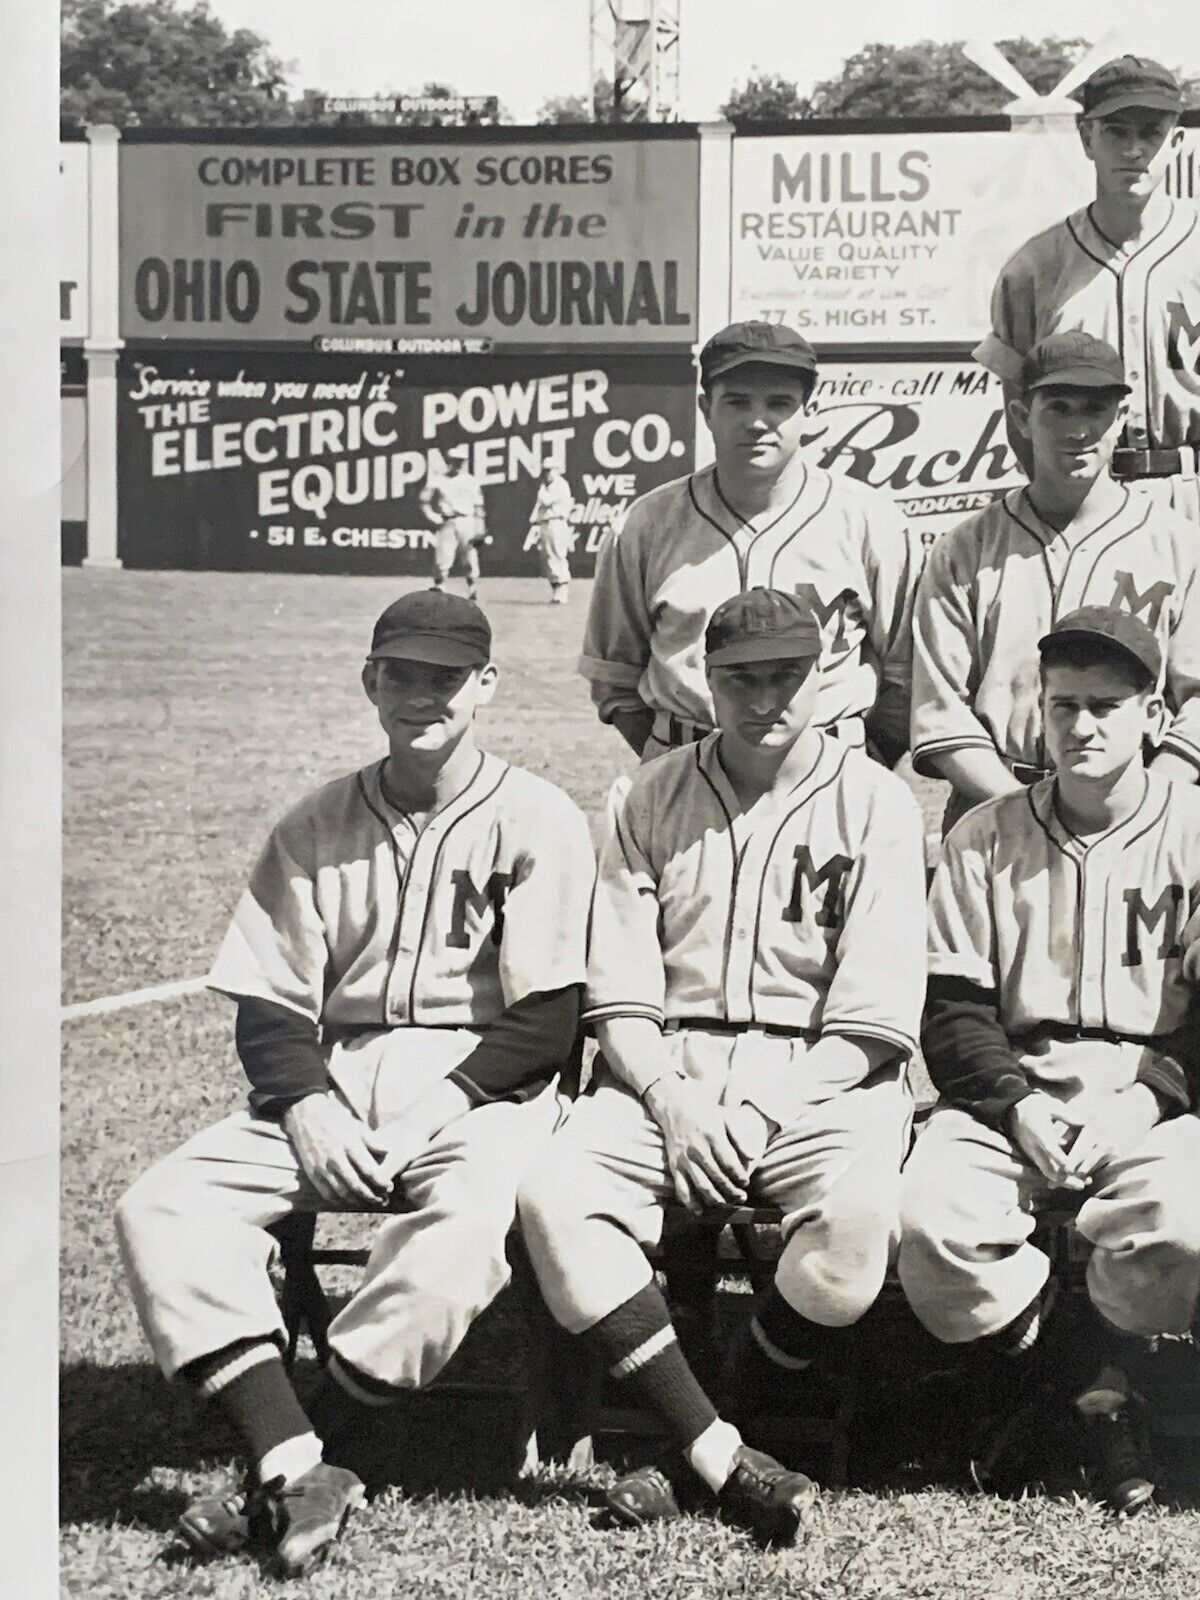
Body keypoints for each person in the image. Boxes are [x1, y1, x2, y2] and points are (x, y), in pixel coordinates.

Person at [115, 590, 594, 1576]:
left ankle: (311, 1446)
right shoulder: (316, 822)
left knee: (464, 1227)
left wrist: (432, 1107)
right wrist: (308, 1106)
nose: (423, 696)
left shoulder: (539, 816)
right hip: (341, 1074)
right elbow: (269, 1001)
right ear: (371, 680)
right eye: (403, 674)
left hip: (483, 1084)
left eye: (446, 678)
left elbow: (546, 1018)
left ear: (486, 687)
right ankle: (298, 1459)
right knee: (161, 1204)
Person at [519, 588, 927, 1542]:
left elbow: (872, 1022)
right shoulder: (645, 795)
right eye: (743, 677)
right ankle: (719, 1454)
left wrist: (753, 1116)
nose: (766, 697)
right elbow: (615, 994)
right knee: (552, 1193)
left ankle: (699, 1426)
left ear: (821, 675)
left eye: (787, 673)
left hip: (820, 1075)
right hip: (668, 1064)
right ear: (707, 681)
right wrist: (669, 1097)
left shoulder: (877, 804)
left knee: (861, 1228)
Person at [899, 606, 1200, 1515]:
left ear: (1154, 716)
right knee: (926, 1223)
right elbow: (951, 1012)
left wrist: (1145, 1104)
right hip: (1010, 1087)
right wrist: (1014, 1104)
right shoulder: (983, 834)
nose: (1083, 726)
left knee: (1186, 1225)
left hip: (1150, 1090)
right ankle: (1086, 1383)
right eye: (1065, 704)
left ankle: (1068, 1387)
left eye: (1108, 705)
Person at [580, 321, 923, 765]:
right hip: (686, 759)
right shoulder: (645, 524)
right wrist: (667, 762)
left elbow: (906, 671)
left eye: (779, 403)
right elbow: (615, 677)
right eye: (737, 402)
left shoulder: (870, 520)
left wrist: (869, 761)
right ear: (706, 409)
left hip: (833, 760)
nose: (758, 421)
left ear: (809, 411)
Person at [912, 332, 1200, 833]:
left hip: (1140, 807)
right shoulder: (965, 549)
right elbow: (940, 712)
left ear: (1121, 419)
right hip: (997, 808)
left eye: (1095, 410)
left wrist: (1149, 803)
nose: (1078, 429)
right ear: (1023, 418)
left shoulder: (1179, 544)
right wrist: (1026, 813)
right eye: (1058, 408)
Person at [976, 56, 1199, 522]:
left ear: (1176, 142)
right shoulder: (1034, 267)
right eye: (1117, 130)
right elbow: (1022, 416)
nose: (1135, 149)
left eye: (1151, 132)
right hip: (1083, 500)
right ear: (1086, 139)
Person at [421, 457, 487, 597]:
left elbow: (478, 506)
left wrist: (480, 527)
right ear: (450, 461)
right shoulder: (439, 479)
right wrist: (433, 516)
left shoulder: (470, 481)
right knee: (443, 556)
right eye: (455, 461)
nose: (458, 464)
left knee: (470, 557)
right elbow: (424, 499)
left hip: (467, 521)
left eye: (461, 461)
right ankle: (439, 586)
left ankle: (472, 588)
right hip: (448, 521)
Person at [529, 461, 575, 604]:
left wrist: (541, 490)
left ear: (556, 470)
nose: (547, 473)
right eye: (545, 470)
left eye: (549, 470)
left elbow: (547, 500)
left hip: (557, 522)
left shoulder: (560, 485)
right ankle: (556, 591)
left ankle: (563, 591)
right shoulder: (546, 486)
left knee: (558, 555)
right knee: (548, 557)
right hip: (546, 524)